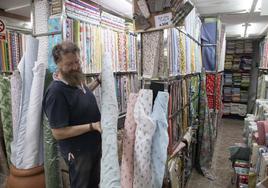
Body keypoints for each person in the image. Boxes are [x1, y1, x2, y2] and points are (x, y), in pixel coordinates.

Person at [43, 41, 102, 188]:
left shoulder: (74, 80)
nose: (75, 67)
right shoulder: (56, 92)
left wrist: (97, 82)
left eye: (77, 61)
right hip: (78, 152)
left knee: (93, 184)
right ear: (58, 63)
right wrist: (92, 126)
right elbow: (58, 132)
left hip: (92, 147)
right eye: (69, 64)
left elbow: (79, 97)